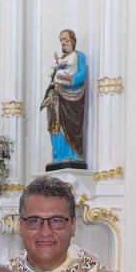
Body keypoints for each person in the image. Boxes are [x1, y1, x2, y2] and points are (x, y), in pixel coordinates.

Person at [42, 30, 88, 168]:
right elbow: (54, 82)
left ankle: (72, 155)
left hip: (72, 97)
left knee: (71, 125)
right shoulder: (61, 61)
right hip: (58, 98)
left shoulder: (79, 56)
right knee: (55, 126)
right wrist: (49, 97)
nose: (63, 42)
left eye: (66, 39)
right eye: (61, 40)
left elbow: (82, 73)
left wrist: (71, 78)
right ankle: (58, 156)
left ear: (72, 40)